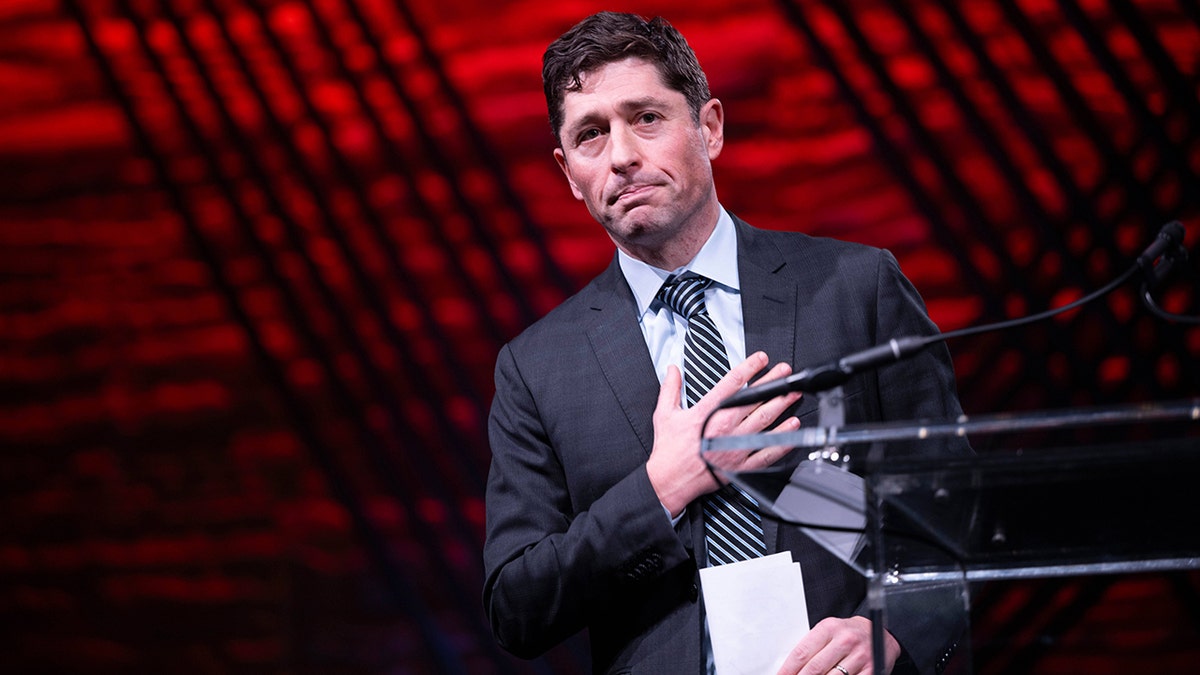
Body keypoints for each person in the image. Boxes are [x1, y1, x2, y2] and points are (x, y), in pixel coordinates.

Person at [483, 12, 964, 675]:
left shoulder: (857, 289)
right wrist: (661, 488)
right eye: (591, 134)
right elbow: (516, 604)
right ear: (570, 173)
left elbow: (955, 512)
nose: (621, 154)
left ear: (709, 126)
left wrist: (894, 626)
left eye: (645, 117)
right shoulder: (536, 369)